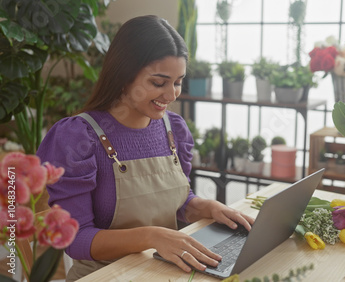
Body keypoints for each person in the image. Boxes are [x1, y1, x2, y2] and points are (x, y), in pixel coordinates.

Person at [36, 15, 254, 281]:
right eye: (159, 83)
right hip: (105, 275)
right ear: (124, 76)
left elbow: (177, 202)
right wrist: (151, 236)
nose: (172, 94)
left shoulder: (174, 129)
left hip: (163, 271)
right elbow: (76, 239)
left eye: (178, 81)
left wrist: (208, 207)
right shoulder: (77, 137)